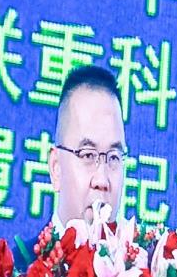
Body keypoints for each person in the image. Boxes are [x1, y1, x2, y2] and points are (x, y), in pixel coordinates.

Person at [49, 64, 129, 226]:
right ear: (56, 168)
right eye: (88, 155)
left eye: (113, 157)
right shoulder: (14, 245)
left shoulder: (145, 244)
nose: (102, 181)